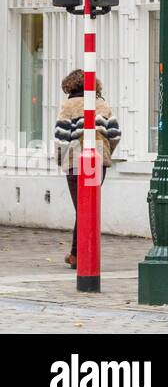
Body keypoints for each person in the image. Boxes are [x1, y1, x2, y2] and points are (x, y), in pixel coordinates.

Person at [53, 70, 120, 270]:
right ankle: (76, 253)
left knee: (82, 208)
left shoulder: (68, 106)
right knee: (87, 206)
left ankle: (82, 254)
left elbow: (61, 137)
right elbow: (115, 134)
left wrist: (60, 159)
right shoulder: (103, 105)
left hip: (75, 160)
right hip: (99, 160)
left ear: (70, 86)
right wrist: (106, 152)